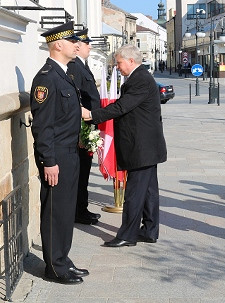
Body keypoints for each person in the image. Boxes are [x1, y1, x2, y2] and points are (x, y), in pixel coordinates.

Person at [81, 44, 167, 247]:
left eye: (119, 63)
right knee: (148, 191)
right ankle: (149, 230)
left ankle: (128, 235)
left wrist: (92, 115)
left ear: (130, 61)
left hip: (142, 147)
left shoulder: (141, 80)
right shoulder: (140, 78)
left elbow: (122, 107)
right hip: (146, 146)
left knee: (135, 192)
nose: (117, 67)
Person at [30, 21, 88, 284]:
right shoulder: (46, 78)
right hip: (57, 157)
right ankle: (54, 267)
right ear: (58, 45)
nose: (77, 45)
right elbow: (43, 126)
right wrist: (48, 161)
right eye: (72, 41)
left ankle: (63, 259)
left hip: (69, 152)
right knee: (55, 212)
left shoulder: (64, 73)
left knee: (66, 212)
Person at [67, 28, 101, 225]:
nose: (90, 47)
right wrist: (82, 131)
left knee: (85, 170)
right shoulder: (74, 67)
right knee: (81, 172)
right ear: (78, 46)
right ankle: (79, 210)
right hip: (83, 127)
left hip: (89, 125)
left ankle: (82, 208)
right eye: (87, 43)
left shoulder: (81, 65)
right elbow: (77, 101)